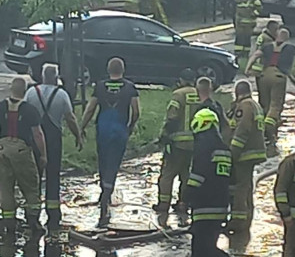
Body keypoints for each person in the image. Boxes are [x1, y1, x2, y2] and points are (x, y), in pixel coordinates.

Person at [183, 109, 247, 257]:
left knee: (206, 249)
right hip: (220, 206)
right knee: (199, 250)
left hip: (204, 206)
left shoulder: (204, 146)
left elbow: (197, 176)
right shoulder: (224, 149)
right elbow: (233, 180)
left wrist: (185, 197)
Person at [80, 58, 140, 229]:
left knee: (103, 160)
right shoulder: (130, 87)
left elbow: (91, 108)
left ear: (108, 69)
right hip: (119, 128)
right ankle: (107, 192)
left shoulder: (100, 86)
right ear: (123, 69)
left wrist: (81, 127)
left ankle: (104, 191)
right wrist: (131, 125)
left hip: (103, 128)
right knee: (114, 162)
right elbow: (136, 111)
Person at [0, 77, 47, 233]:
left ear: (10, 89)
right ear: (25, 91)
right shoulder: (29, 109)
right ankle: (33, 221)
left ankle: (9, 222)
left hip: (2, 148)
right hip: (21, 150)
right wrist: (43, 154)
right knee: (31, 186)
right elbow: (38, 134)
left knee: (6, 187)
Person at [25, 64, 83, 229]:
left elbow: (23, 113)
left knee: (34, 175)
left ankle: (32, 211)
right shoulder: (62, 95)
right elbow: (70, 118)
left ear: (42, 76)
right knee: (53, 175)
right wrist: (78, 135)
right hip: (53, 139)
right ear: (56, 77)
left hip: (34, 138)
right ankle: (53, 213)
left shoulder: (31, 93)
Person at [154, 68, 199, 228]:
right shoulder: (200, 94)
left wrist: (164, 136)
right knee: (186, 174)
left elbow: (172, 118)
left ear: (181, 80)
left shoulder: (178, 94)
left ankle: (163, 205)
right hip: (194, 144)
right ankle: (183, 203)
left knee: (167, 174)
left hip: (177, 143)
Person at [246, 25, 295, 156]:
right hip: (278, 76)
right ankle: (269, 129)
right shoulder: (290, 47)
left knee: (264, 104)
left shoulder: (267, 46)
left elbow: (255, 55)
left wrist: (247, 68)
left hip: (264, 76)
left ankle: (262, 131)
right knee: (275, 106)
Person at [227, 80, 266, 245]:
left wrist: (233, 153)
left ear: (238, 92)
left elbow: (242, 130)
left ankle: (238, 221)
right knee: (248, 186)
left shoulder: (244, 106)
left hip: (245, 153)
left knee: (240, 188)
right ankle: (247, 216)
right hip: (254, 151)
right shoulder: (255, 104)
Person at [232, 0, 261, 70]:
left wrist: (254, 14)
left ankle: (245, 53)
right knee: (239, 37)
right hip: (239, 23)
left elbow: (259, 7)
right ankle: (238, 53)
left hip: (249, 23)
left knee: (247, 38)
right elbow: (232, 5)